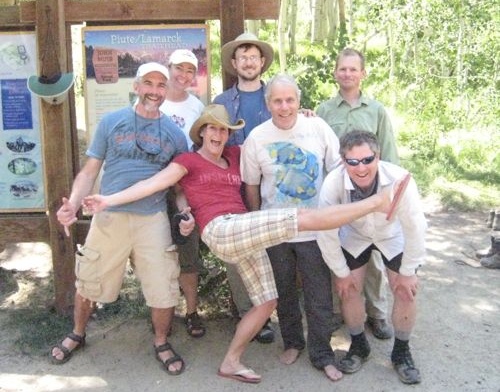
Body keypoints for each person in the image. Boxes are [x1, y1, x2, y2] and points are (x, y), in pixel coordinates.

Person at [82, 105, 400, 384]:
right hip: (220, 229)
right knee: (301, 216)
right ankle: (376, 202)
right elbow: (154, 184)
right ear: (202, 133)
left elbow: (277, 134)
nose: (218, 135)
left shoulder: (236, 155)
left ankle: (231, 361)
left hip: (244, 232)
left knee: (267, 300)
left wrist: (303, 118)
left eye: (223, 130)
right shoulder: (187, 160)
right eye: (212, 129)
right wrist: (109, 199)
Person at [52, 62, 188, 375]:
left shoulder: (174, 134)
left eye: (160, 86)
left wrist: (184, 210)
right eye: (149, 84)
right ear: (137, 87)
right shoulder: (111, 122)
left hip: (151, 219)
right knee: (90, 278)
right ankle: (78, 332)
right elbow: (89, 171)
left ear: (166, 91)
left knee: (163, 284)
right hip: (108, 216)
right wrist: (72, 205)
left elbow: (178, 187)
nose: (154, 91)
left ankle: (161, 340)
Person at [241, 74, 343, 381]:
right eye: (277, 100)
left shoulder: (318, 127)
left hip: (315, 227)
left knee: (318, 293)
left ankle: (322, 353)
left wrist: (336, 214)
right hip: (276, 229)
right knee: (283, 290)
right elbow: (251, 185)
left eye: (290, 100)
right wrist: (258, 219)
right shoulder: (257, 137)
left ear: (299, 101)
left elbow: (338, 170)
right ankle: (293, 342)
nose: (284, 107)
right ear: (267, 102)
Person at [317, 130, 426, 385]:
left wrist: (408, 271)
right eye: (352, 162)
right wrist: (341, 272)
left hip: (392, 233)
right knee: (348, 288)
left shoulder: (400, 180)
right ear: (343, 161)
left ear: (378, 156)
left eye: (367, 159)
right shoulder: (333, 183)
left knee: (405, 291)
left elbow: (416, 227)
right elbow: (325, 230)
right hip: (354, 233)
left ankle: (401, 352)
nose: (361, 167)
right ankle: (359, 345)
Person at [316, 47, 399, 339]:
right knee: (339, 249)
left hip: (372, 193)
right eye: (343, 68)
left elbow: (388, 155)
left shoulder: (376, 110)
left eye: (353, 69)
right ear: (336, 72)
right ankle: (344, 311)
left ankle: (376, 312)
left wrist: (389, 196)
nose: (347, 74)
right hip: (339, 194)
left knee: (374, 254)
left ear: (362, 74)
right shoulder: (324, 111)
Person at [213, 32, 275, 342]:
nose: (248, 62)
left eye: (253, 57)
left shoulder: (277, 96)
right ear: (234, 64)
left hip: (274, 185)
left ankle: (277, 310)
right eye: (242, 58)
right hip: (234, 186)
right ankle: (247, 312)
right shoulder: (222, 103)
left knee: (278, 247)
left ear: (262, 62)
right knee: (240, 251)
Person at [160, 49, 206, 337]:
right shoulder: (155, 102)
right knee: (156, 251)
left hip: (186, 188)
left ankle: (191, 311)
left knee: (188, 251)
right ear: (169, 68)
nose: (184, 75)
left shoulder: (197, 107)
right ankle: (160, 310)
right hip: (154, 187)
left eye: (190, 70)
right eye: (179, 68)